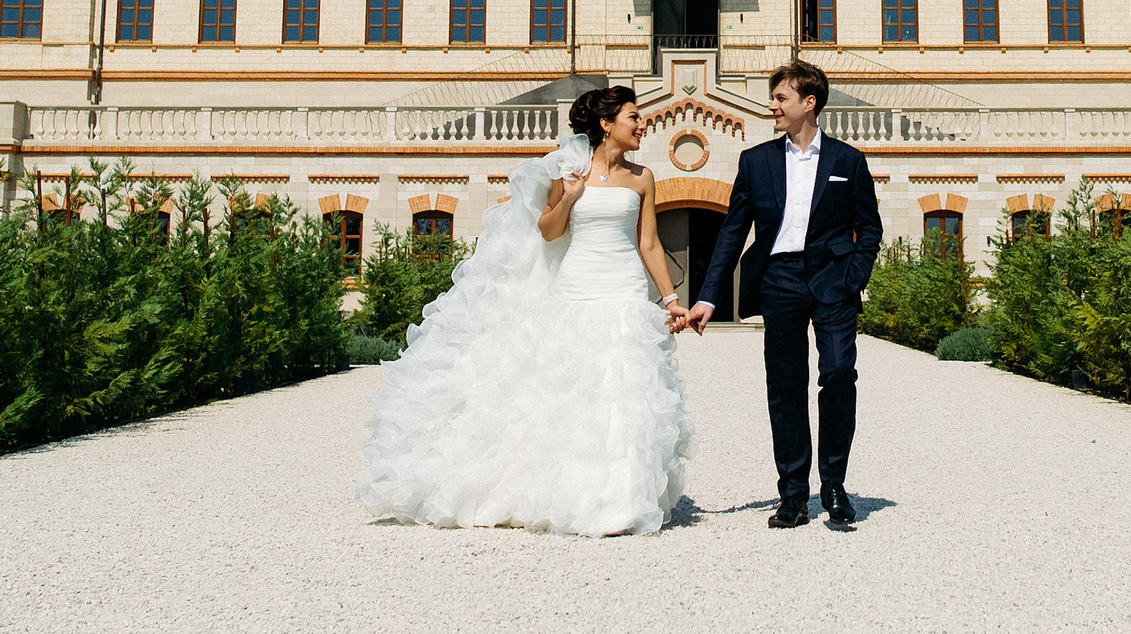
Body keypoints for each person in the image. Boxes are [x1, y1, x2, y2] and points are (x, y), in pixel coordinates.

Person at [356, 86, 695, 536]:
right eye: (633, 116)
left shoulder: (642, 177)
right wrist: (570, 196)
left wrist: (671, 300)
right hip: (577, 286)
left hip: (626, 288)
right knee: (577, 390)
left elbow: (649, 242)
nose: (641, 124)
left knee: (626, 387)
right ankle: (573, 493)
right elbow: (549, 231)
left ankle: (622, 499)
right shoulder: (568, 170)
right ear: (606, 124)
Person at [688, 60, 881, 528]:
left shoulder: (848, 160)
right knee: (786, 386)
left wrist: (854, 277)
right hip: (780, 280)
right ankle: (793, 494)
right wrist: (708, 297)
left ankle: (833, 485)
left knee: (839, 373)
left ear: (808, 103)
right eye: (773, 98)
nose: (772, 106)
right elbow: (732, 233)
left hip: (834, 280)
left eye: (780, 98)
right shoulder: (756, 161)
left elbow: (869, 228)